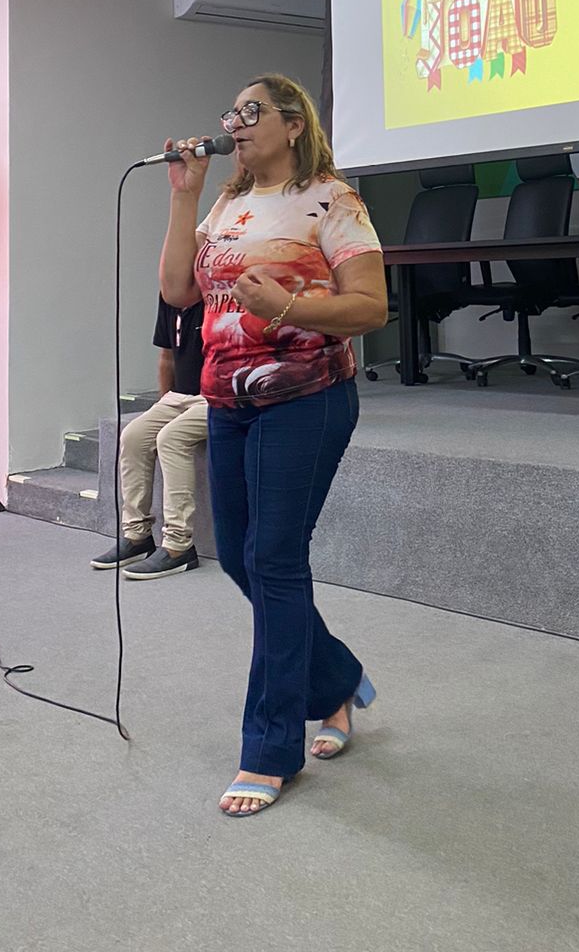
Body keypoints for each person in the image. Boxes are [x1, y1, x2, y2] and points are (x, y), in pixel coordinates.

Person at [160, 73, 389, 816]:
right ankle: (338, 680)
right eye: (231, 112)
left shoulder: (332, 200)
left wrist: (287, 306)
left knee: (275, 560)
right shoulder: (228, 202)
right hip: (229, 402)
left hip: (307, 399)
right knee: (239, 557)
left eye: (251, 111)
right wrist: (186, 195)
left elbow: (371, 308)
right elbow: (178, 291)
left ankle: (269, 749)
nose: (236, 123)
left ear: (293, 124)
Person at [90, 296, 207, 578]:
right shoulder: (171, 296)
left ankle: (179, 546)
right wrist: (164, 402)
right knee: (133, 436)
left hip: (218, 397)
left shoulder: (220, 294)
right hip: (179, 396)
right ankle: (137, 536)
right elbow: (166, 357)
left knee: (171, 438)